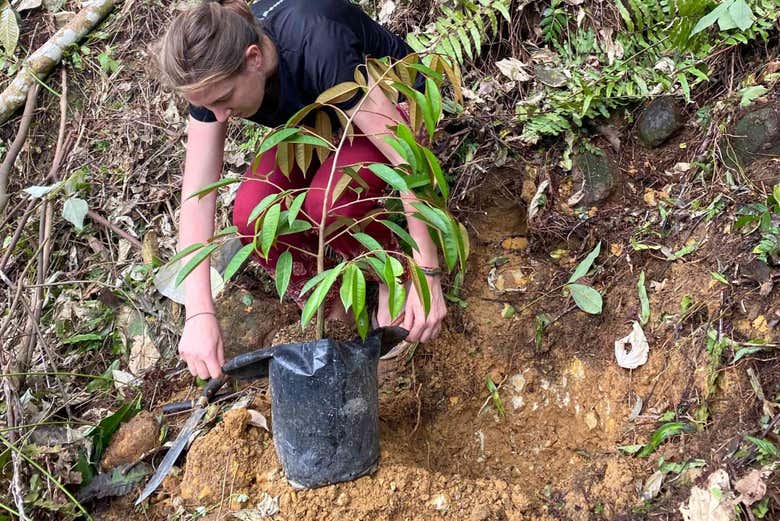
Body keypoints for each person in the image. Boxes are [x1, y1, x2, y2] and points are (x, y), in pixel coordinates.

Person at [157, 0, 447, 380]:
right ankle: (335, 305)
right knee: (252, 213)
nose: (220, 115)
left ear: (254, 58)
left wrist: (428, 273)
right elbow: (197, 199)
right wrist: (199, 313)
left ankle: (395, 272)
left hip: (397, 106)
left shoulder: (316, 42)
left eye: (224, 99)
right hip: (323, 122)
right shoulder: (213, 82)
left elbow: (407, 156)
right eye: (207, 107)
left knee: (330, 203)